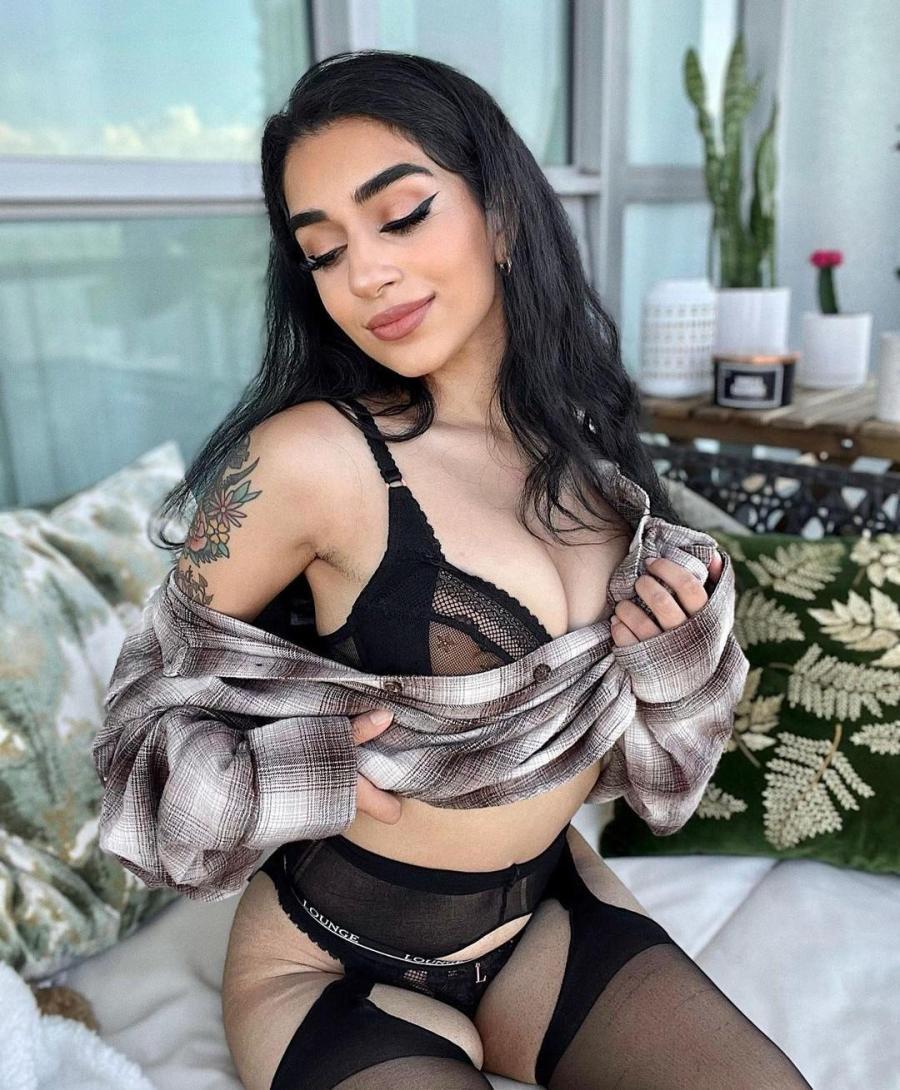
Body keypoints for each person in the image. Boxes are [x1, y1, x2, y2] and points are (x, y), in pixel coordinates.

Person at [134, 49, 812, 1090]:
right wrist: (298, 769)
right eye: (323, 252)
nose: (365, 275)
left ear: (500, 214)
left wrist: (674, 665)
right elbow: (141, 737)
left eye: (401, 216)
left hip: (548, 919)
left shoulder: (591, 460)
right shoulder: (311, 460)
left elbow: (659, 786)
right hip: (325, 962)